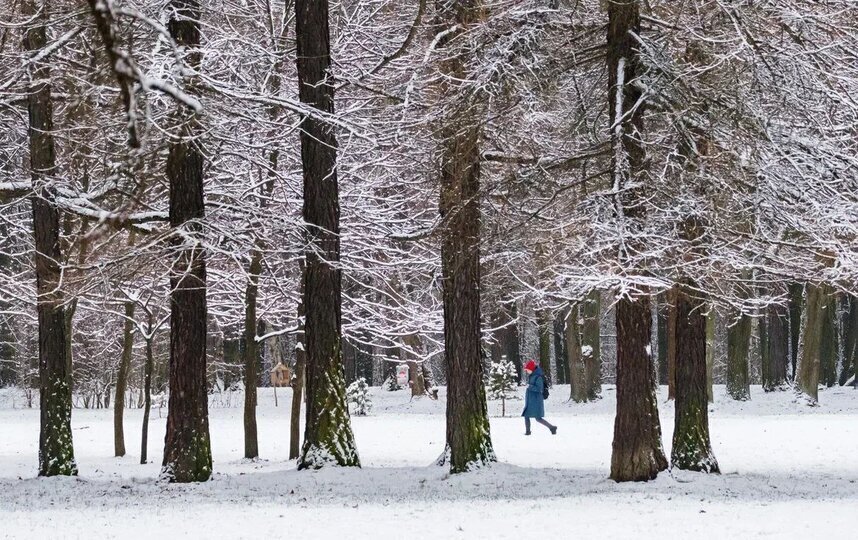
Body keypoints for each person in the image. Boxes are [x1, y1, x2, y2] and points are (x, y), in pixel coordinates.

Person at [521, 360, 557, 436]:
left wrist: (530, 387)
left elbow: (539, 389)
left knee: (538, 418)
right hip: (531, 401)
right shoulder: (532, 376)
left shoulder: (538, 377)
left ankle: (551, 427)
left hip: (536, 401)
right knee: (526, 415)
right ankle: (528, 432)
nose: (526, 371)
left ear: (531, 369)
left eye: (527, 370)